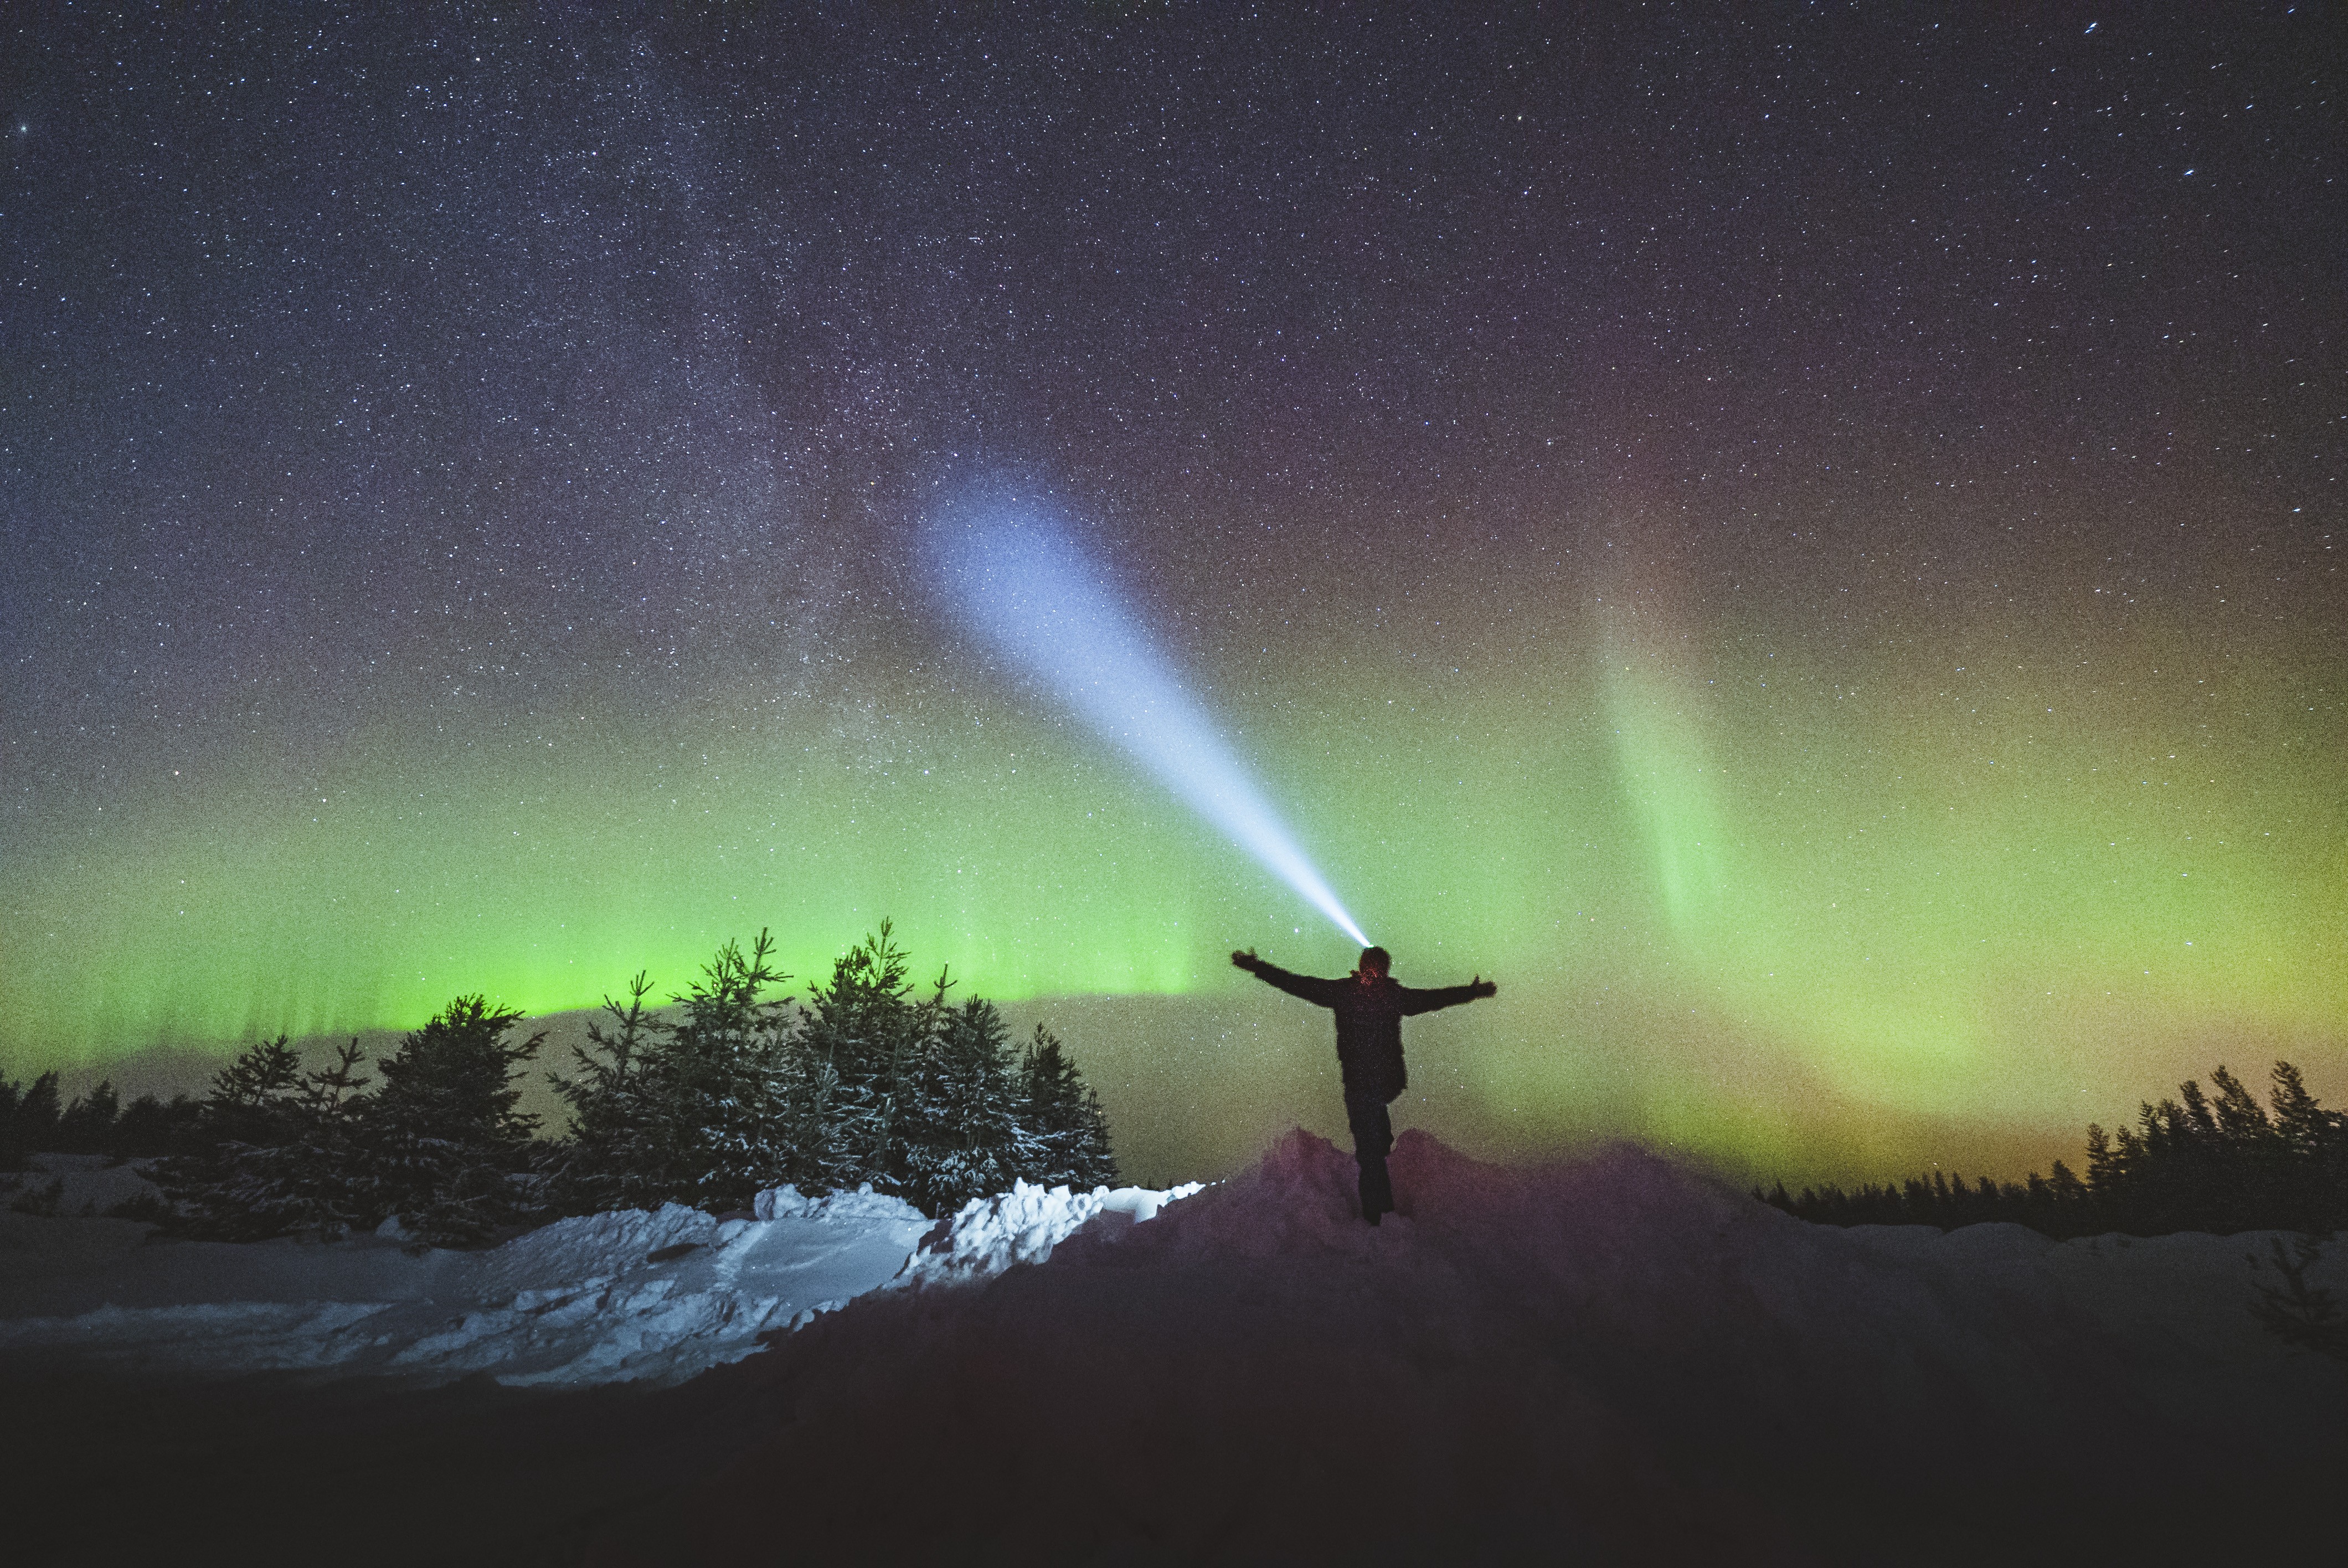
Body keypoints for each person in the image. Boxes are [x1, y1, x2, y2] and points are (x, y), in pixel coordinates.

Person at [1230, 945, 1496, 1225]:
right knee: (1372, 1145)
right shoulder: (1360, 994)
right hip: (1373, 1085)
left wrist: (1471, 992)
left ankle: (1378, 1217)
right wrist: (1258, 968)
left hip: (1376, 1085)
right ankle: (1379, 1211)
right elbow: (1298, 984)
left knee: (1372, 1148)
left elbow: (1430, 999)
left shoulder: (1380, 995)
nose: (1374, 974)